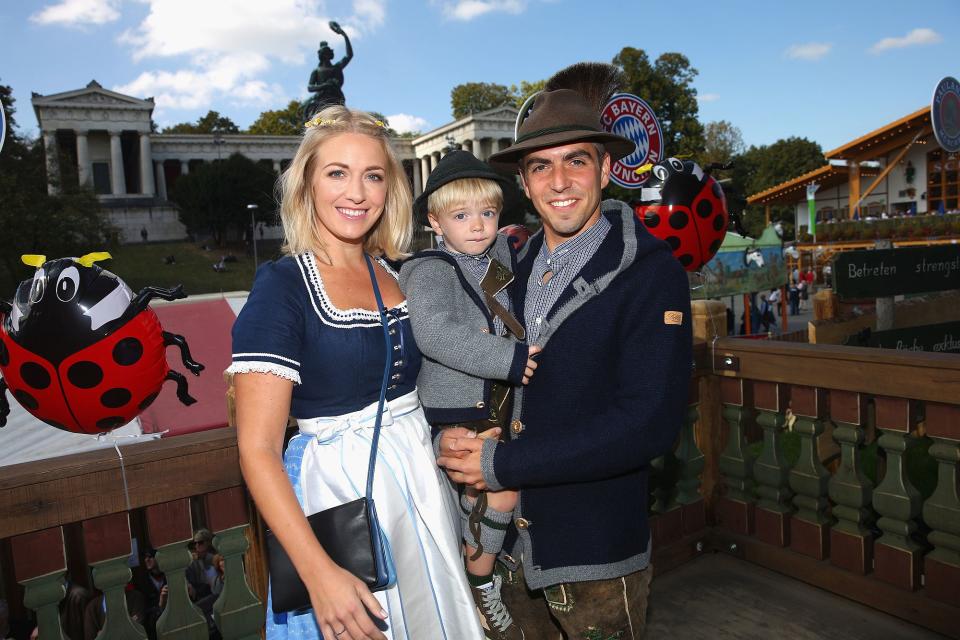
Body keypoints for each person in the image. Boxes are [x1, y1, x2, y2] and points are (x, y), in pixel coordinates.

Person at [438, 63, 693, 639]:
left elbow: (647, 425)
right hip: (506, 552)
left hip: (594, 552)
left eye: (576, 160)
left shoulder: (652, 273)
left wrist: (501, 464)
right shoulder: (507, 270)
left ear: (605, 168)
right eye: (540, 166)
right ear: (523, 185)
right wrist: (458, 433)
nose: (559, 182)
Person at [229, 105, 483, 640]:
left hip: (419, 485)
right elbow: (256, 450)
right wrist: (318, 572)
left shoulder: (394, 273)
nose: (358, 192)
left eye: (373, 176)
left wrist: (446, 432)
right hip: (337, 495)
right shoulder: (283, 287)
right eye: (337, 173)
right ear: (307, 185)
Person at [399, 150, 539, 640]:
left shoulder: (497, 254)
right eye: (461, 216)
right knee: (496, 489)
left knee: (490, 494)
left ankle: (484, 562)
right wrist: (513, 359)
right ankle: (480, 582)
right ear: (436, 223)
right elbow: (436, 334)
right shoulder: (429, 269)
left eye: (488, 213)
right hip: (460, 404)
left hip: (497, 400)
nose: (478, 226)